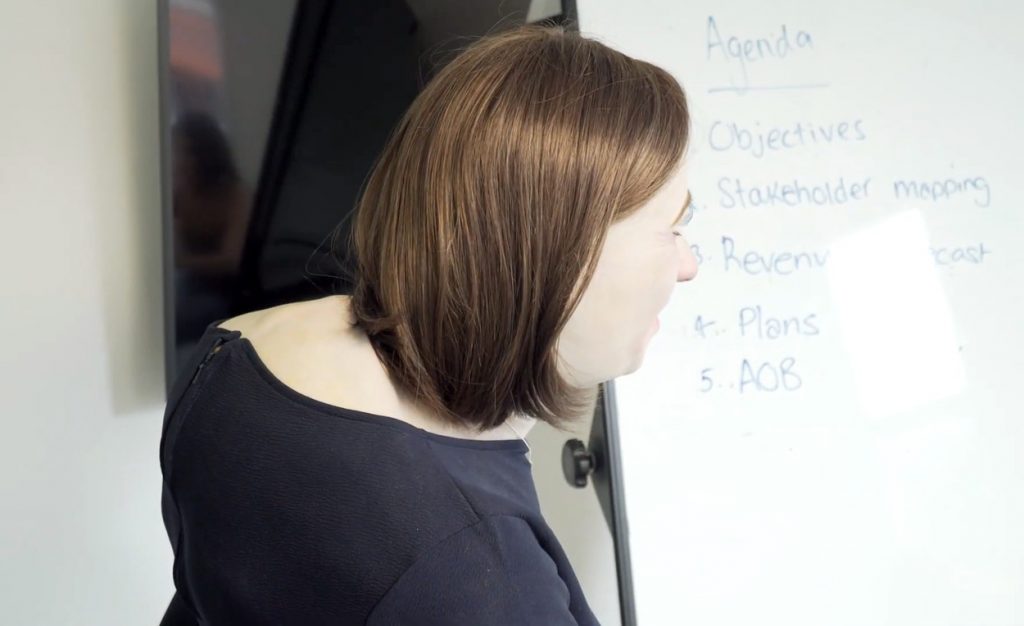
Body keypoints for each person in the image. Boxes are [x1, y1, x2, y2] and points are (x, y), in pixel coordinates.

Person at [159, 22, 697, 625]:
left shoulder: (231, 356)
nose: (688, 266)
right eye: (672, 229)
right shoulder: (476, 576)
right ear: (558, 256)